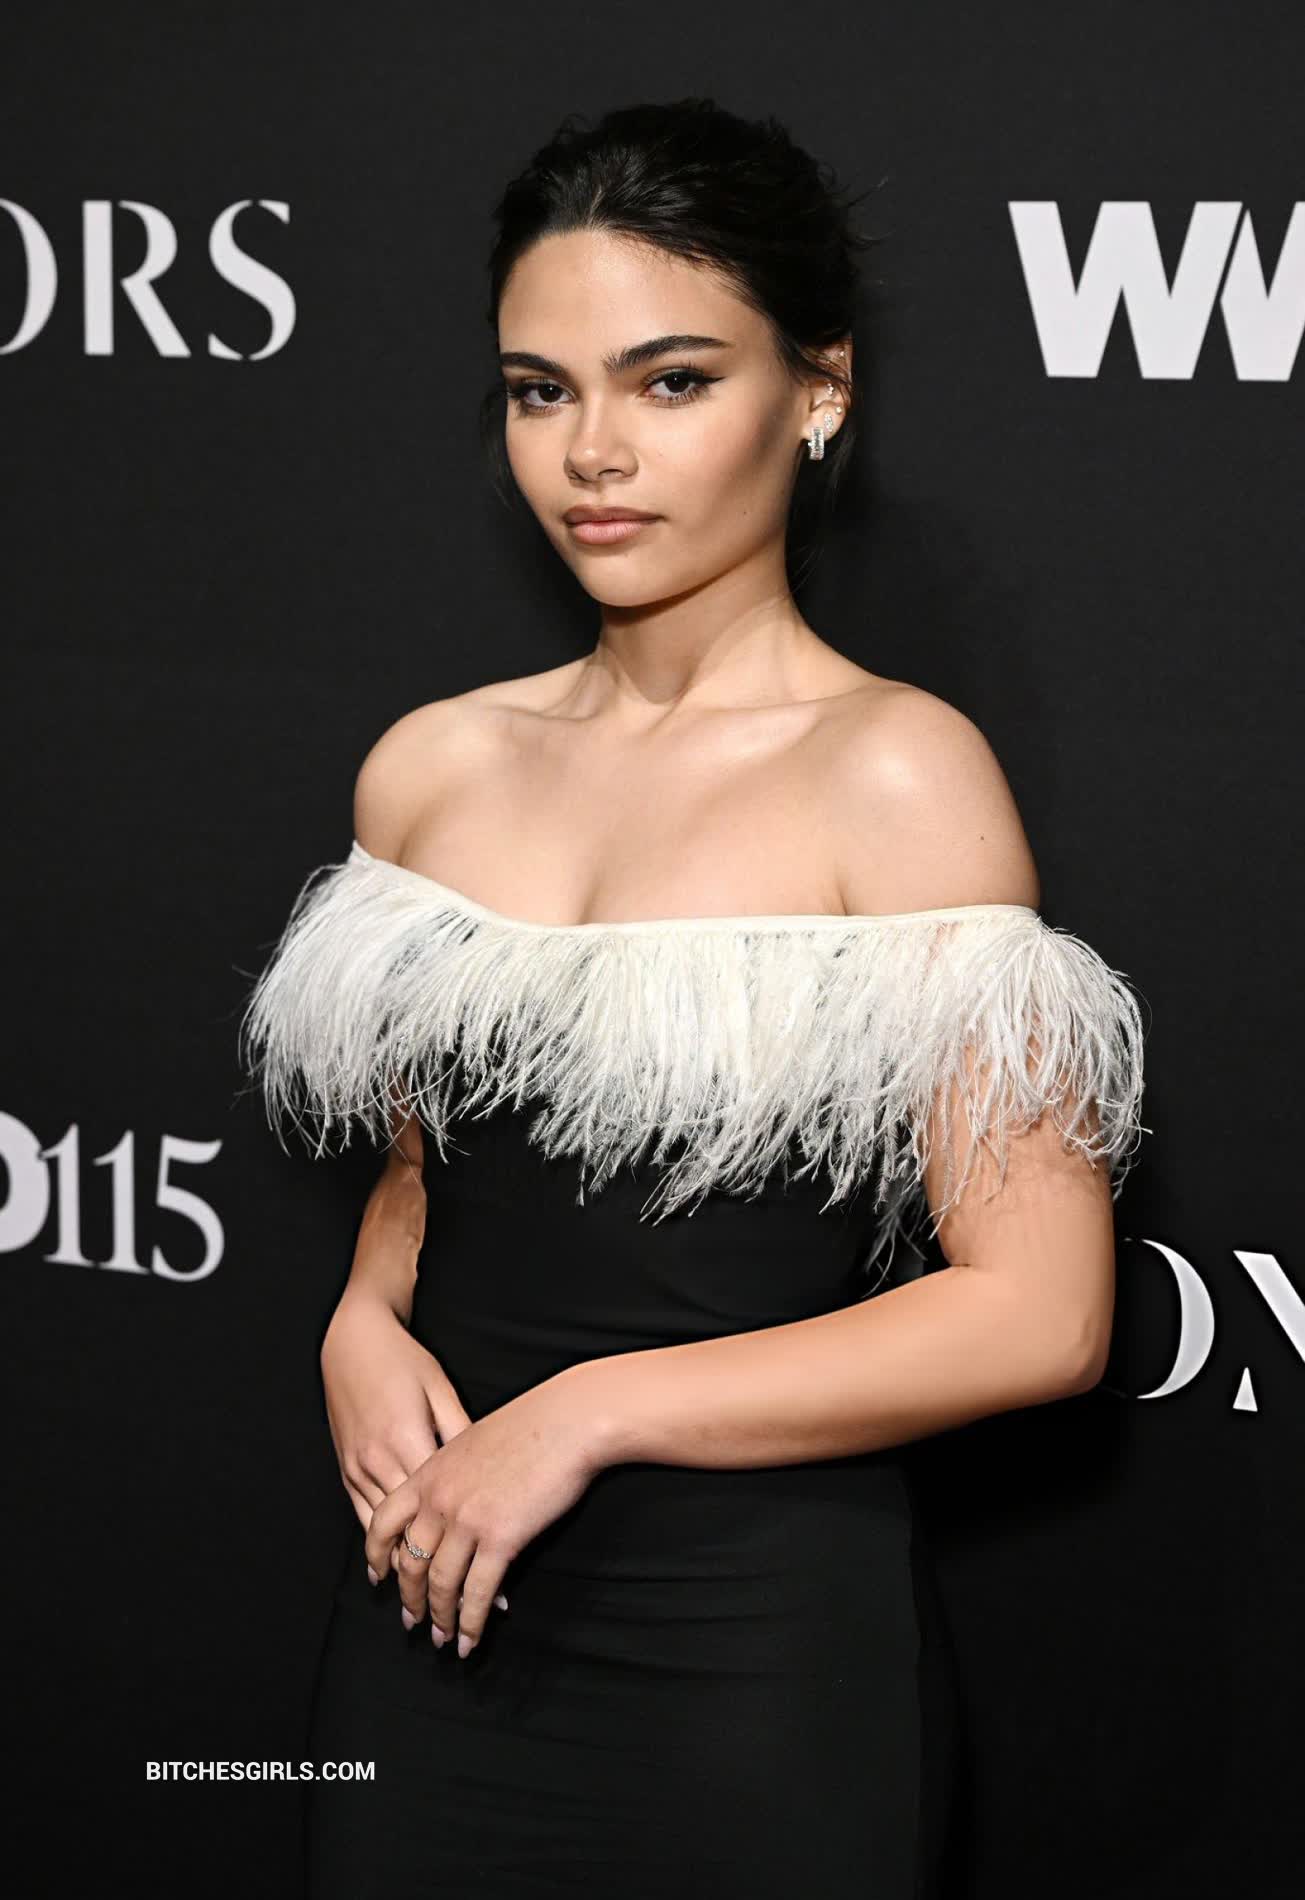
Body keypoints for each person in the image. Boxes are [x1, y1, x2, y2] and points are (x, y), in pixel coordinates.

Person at [238, 97, 1148, 1900]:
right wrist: (359, 1318)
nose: (593, 453)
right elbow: (427, 1178)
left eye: (669, 381)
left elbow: (1038, 1316)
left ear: (817, 391)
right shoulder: (429, 767)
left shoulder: (895, 774)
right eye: (540, 389)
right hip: (426, 1613)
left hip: (746, 1669)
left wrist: (584, 1411)